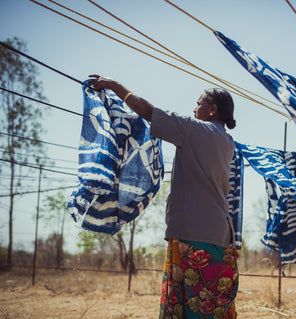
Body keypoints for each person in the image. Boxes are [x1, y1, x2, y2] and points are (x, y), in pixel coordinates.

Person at [89, 75, 239, 319]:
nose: (194, 108)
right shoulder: (227, 141)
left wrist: (114, 85)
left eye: (199, 103)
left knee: (188, 305)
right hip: (222, 233)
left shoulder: (193, 129)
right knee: (211, 303)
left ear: (212, 110)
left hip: (192, 233)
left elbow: (148, 111)